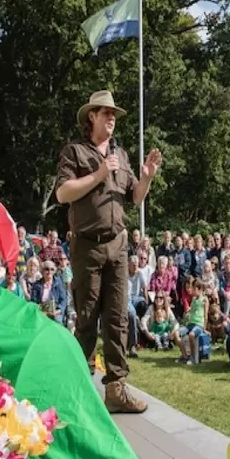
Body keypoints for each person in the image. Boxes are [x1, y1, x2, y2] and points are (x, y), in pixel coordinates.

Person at [56, 90, 163, 414]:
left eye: (114, 113)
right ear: (92, 117)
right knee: (87, 318)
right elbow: (63, 193)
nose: (112, 117)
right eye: (106, 113)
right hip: (87, 246)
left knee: (116, 319)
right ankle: (79, 390)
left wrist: (146, 179)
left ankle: (116, 389)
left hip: (118, 245)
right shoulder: (75, 152)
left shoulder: (122, 155)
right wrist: (99, 174)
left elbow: (134, 198)